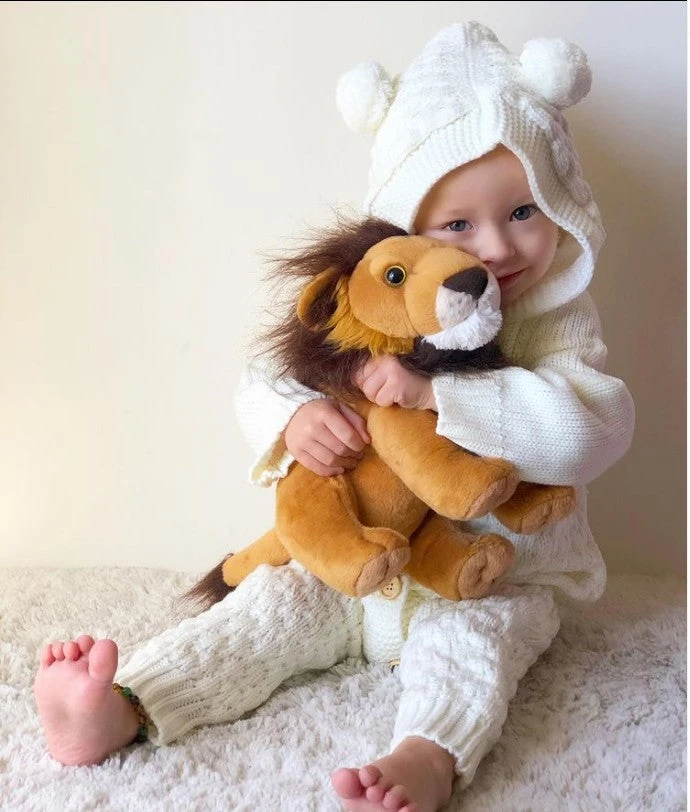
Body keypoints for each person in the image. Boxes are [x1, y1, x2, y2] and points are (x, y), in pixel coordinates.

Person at [33, 21, 634, 812]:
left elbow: (594, 429)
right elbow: (265, 379)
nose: (494, 247)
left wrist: (438, 396)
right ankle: (123, 705)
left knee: (473, 649)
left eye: (524, 210)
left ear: (561, 204)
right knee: (271, 609)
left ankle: (426, 754)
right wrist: (295, 419)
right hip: (358, 562)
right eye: (457, 225)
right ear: (402, 229)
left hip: (494, 574)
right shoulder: (380, 304)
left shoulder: (558, 322)